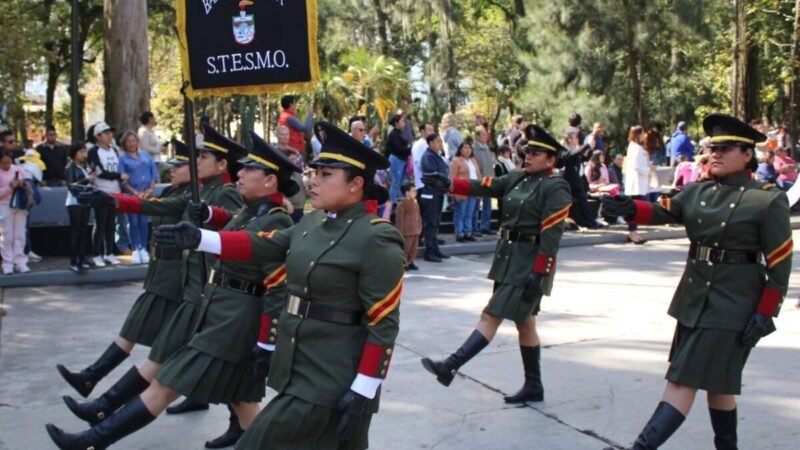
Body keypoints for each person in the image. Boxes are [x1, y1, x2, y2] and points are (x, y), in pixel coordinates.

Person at [150, 120, 405, 450]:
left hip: (331, 375)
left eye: (326, 174)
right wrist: (200, 237)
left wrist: (364, 389)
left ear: (356, 183)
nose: (313, 180)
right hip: (299, 365)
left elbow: (384, 322)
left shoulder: (377, 237)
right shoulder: (311, 222)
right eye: (315, 172)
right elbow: (263, 244)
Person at [47, 132, 299, 450]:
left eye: (250, 170)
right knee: (243, 404)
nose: (240, 173)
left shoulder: (276, 219)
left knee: (165, 385)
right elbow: (224, 221)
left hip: (232, 322)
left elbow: (272, 284)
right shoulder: (251, 212)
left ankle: (91, 440)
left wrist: (266, 343)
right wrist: (206, 216)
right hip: (219, 311)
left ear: (270, 181)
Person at [601, 113, 792, 450]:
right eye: (711, 147)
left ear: (748, 154)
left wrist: (766, 312)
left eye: (725, 148)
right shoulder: (698, 191)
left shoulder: (766, 199)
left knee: (681, 381)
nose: (714, 153)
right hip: (694, 299)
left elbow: (779, 263)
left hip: (733, 305)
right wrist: (628, 206)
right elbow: (666, 210)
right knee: (720, 385)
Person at [420, 125, 572, 405]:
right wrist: (449, 184)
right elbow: (486, 186)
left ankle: (451, 365)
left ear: (551, 160)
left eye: (536, 153)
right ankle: (534, 385)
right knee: (525, 323)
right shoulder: (517, 178)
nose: (528, 156)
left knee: (490, 316)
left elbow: (552, 235)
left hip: (528, 265)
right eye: (527, 151)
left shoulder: (556, 187)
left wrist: (539, 272)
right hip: (508, 260)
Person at [86, 121, 127, 267]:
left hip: (115, 192)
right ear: (98, 136)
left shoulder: (113, 150)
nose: (110, 136)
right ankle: (97, 254)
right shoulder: (93, 151)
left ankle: (109, 252)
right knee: (100, 224)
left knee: (111, 224)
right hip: (101, 191)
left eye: (110, 133)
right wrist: (118, 176)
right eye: (106, 133)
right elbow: (100, 172)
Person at [118, 131, 159, 264]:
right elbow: (122, 179)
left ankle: (143, 248)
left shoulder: (145, 155)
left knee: (143, 222)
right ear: (125, 143)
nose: (132, 144)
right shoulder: (123, 159)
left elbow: (154, 173)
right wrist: (135, 192)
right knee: (133, 222)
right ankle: (135, 248)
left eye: (134, 141)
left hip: (146, 194)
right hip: (132, 195)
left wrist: (150, 189)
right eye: (129, 141)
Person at [420, 133, 451, 262]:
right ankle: (429, 251)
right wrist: (445, 181)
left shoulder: (437, 156)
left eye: (441, 142)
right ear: (431, 143)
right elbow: (432, 174)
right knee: (430, 223)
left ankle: (435, 249)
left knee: (436, 222)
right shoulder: (428, 156)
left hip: (438, 193)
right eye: (438, 142)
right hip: (430, 193)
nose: (440, 144)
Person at [65, 142, 95, 272]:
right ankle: (74, 260)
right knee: (76, 231)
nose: (84, 155)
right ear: (74, 153)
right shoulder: (70, 168)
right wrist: (87, 180)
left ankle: (82, 258)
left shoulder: (83, 167)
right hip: (74, 202)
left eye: (84, 152)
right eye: (81, 152)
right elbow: (72, 185)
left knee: (83, 231)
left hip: (84, 202)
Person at [0, 152, 30, 274]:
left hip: (19, 204)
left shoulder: (18, 170)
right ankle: (7, 263)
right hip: (4, 205)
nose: (7, 165)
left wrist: (22, 184)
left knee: (20, 234)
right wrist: (9, 187)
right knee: (6, 235)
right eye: (4, 163)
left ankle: (20, 262)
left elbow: (29, 184)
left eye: (9, 162)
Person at [449, 141, 482, 242]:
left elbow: (478, 174)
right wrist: (452, 190)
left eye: (469, 148)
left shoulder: (473, 160)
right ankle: (459, 233)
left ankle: (468, 232)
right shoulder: (456, 160)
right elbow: (452, 176)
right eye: (465, 148)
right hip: (461, 189)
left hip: (473, 188)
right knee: (460, 212)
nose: (468, 150)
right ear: (460, 149)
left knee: (470, 212)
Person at [624, 125, 651, 244]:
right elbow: (636, 166)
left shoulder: (634, 147)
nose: (644, 136)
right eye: (642, 133)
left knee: (634, 208)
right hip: (636, 183)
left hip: (636, 182)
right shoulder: (636, 148)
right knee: (633, 209)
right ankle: (632, 232)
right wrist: (648, 169)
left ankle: (634, 231)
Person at [472, 126, 495, 236]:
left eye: (486, 134)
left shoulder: (486, 147)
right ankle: (474, 227)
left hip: (488, 179)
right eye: (483, 134)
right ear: (477, 136)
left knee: (487, 204)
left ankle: (485, 226)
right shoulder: (473, 148)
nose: (485, 137)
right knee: (476, 205)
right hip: (479, 179)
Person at [395, 180, 422, 271]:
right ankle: (403, 263)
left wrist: (419, 226)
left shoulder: (415, 203)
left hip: (415, 230)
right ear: (407, 193)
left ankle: (411, 261)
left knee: (413, 249)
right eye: (413, 191)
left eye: (416, 191)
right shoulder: (402, 204)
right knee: (406, 248)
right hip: (407, 231)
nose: (415, 193)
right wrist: (400, 232)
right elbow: (400, 220)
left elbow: (418, 216)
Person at [385, 113, 411, 203]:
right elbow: (398, 148)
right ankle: (392, 201)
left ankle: (398, 197)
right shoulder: (393, 134)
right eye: (402, 121)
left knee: (401, 181)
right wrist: (409, 148)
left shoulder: (400, 133)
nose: (404, 123)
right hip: (396, 159)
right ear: (396, 123)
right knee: (395, 182)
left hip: (402, 160)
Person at [411, 122, 434, 190]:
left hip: (433, 183)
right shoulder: (418, 145)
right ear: (422, 131)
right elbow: (419, 164)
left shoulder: (431, 144)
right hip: (423, 184)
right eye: (430, 130)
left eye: (433, 130)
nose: (432, 132)